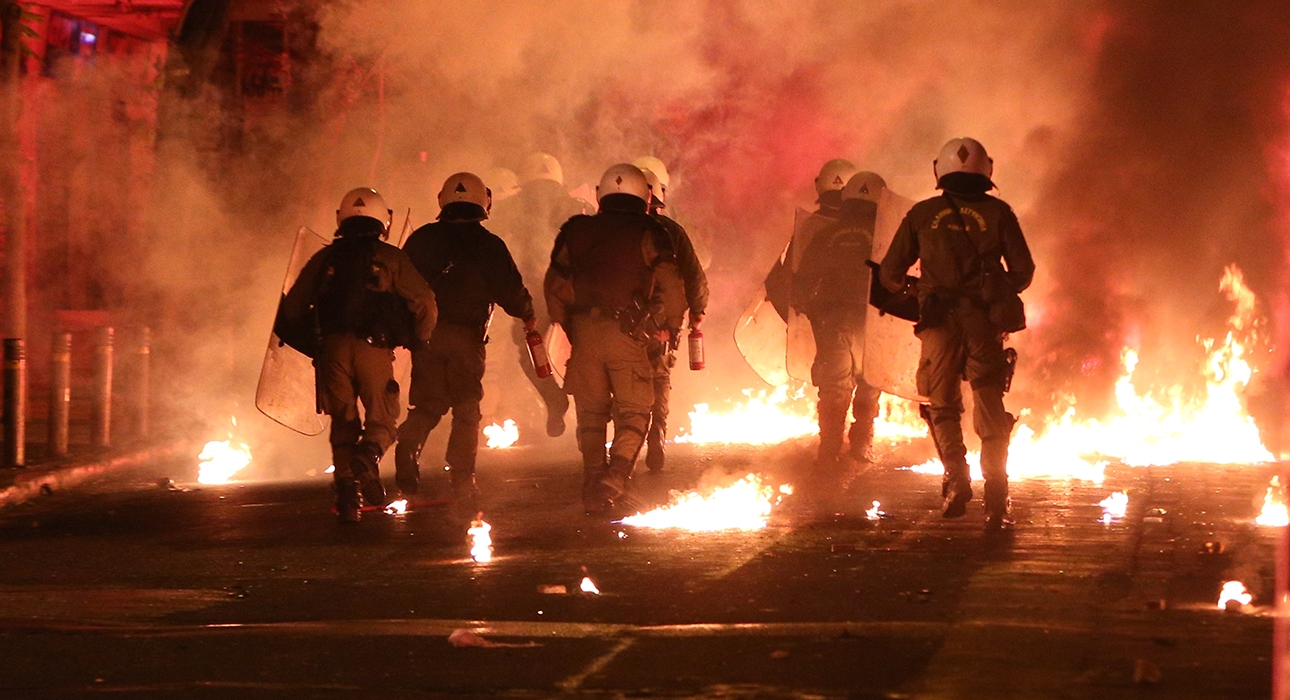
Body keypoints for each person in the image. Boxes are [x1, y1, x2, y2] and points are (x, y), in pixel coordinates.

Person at [879, 137, 1034, 529]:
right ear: (987, 169)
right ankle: (997, 497)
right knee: (989, 403)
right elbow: (1023, 271)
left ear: (939, 170)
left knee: (940, 402)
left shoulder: (922, 214)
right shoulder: (999, 213)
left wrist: (915, 289)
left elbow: (890, 273)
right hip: (983, 324)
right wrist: (993, 286)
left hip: (938, 323)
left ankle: (956, 477)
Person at [279, 187, 437, 523]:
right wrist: (420, 339)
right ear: (382, 220)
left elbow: (291, 309)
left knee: (343, 423)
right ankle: (368, 456)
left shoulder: (324, 259)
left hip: (332, 352)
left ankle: (348, 497)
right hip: (374, 350)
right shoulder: (391, 258)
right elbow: (425, 301)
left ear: (342, 218)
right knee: (383, 420)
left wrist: (316, 344)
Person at [395, 173, 537, 513]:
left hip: (425, 336)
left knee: (428, 405)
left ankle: (408, 445)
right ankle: (461, 479)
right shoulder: (489, 244)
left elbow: (400, 285)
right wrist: (528, 313)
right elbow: (510, 290)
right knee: (466, 407)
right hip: (466, 337)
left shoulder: (421, 240)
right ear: (483, 202)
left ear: (443, 200)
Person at [545, 163, 675, 513]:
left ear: (601, 196)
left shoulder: (576, 230)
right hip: (627, 332)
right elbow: (671, 283)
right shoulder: (650, 232)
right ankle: (615, 478)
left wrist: (568, 329)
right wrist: (669, 326)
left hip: (584, 333)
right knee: (635, 410)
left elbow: (555, 286)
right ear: (646, 195)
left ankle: (592, 484)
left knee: (590, 413)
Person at [794, 171, 887, 474]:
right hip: (873, 319)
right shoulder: (887, 237)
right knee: (870, 383)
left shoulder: (826, 234)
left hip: (833, 320)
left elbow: (803, 278)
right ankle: (861, 446)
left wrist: (812, 312)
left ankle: (829, 451)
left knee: (834, 388)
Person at [491, 152, 588, 438]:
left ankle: (553, 399)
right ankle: (588, 419)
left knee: (530, 353)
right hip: (574, 293)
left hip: (532, 295)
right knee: (586, 353)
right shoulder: (579, 207)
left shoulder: (510, 208)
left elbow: (491, 241)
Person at [636, 163, 708, 472]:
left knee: (621, 384)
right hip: (662, 322)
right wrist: (697, 311)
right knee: (659, 378)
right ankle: (656, 436)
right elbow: (693, 275)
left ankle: (622, 447)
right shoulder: (671, 230)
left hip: (620, 321)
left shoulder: (610, 227)